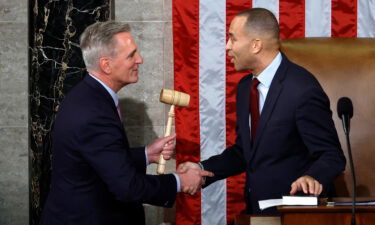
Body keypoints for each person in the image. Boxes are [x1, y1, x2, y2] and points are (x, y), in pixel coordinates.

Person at [40, 21, 213, 225]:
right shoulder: (94, 113)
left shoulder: (88, 96)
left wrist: (146, 154)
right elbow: (127, 187)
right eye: (131, 55)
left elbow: (98, 158)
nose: (140, 59)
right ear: (106, 65)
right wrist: (180, 181)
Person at [178, 8, 346, 214]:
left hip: (293, 214)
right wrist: (201, 169)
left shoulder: (302, 89)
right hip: (256, 210)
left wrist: (313, 177)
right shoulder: (245, 87)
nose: (227, 46)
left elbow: (332, 155)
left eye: (233, 39)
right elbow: (245, 152)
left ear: (256, 45)